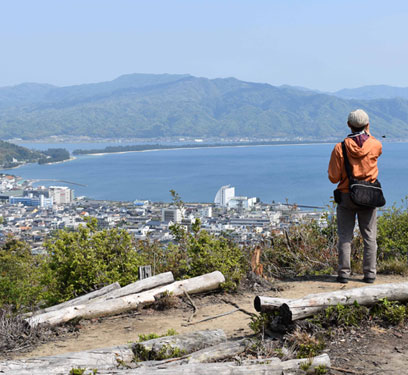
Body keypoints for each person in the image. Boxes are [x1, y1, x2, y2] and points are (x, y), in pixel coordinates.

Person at [328, 109, 382, 284]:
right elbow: (373, 149)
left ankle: (344, 273)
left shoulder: (340, 147)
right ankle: (370, 274)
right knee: (369, 236)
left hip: (347, 196)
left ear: (348, 125)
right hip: (369, 196)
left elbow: (333, 177)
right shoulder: (375, 145)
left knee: (345, 236)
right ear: (367, 125)